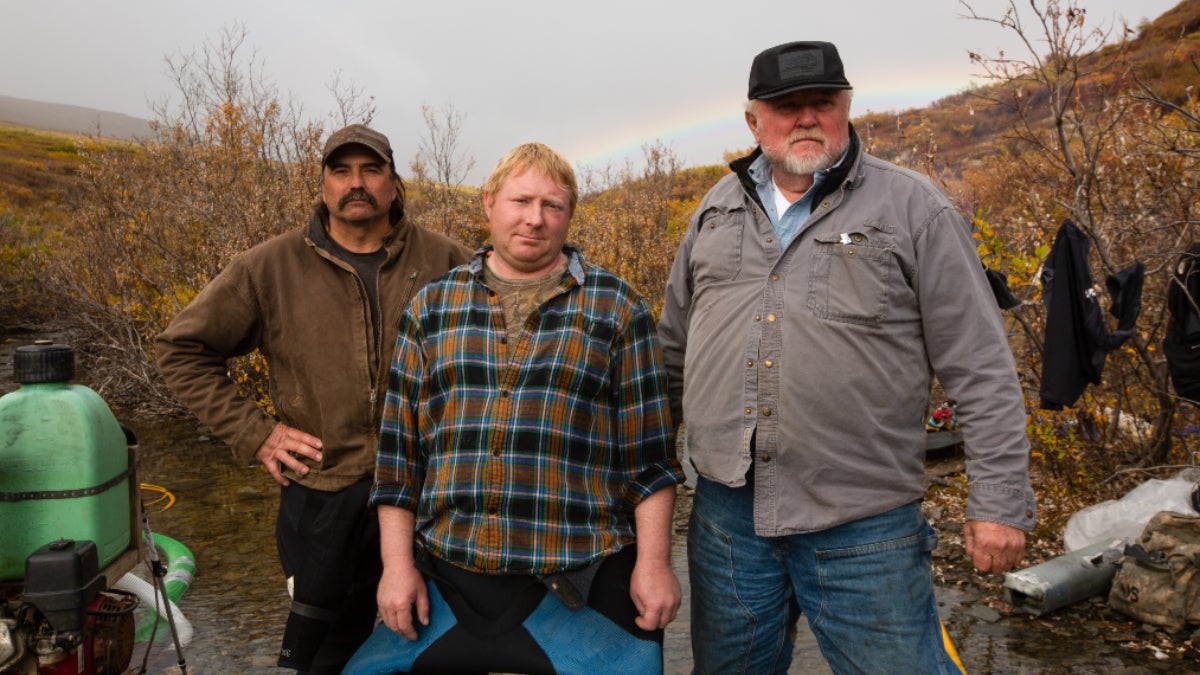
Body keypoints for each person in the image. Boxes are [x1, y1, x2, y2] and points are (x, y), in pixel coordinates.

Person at [657, 41, 1037, 674]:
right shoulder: (715, 210)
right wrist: (643, 481)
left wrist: (997, 502)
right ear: (753, 121)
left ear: (847, 107)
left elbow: (981, 366)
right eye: (787, 106)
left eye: (823, 103)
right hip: (728, 520)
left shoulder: (914, 207)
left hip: (864, 525)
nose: (806, 118)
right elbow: (673, 350)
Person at [344, 142, 684, 675]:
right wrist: (396, 567)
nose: (535, 218)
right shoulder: (432, 307)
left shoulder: (618, 307)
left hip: (580, 571)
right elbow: (398, 460)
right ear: (488, 203)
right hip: (449, 570)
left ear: (569, 214)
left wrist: (655, 564)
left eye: (553, 205)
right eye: (521, 201)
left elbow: (651, 461)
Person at [155, 124, 471, 674]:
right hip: (321, 496)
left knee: (440, 648)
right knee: (324, 655)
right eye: (341, 171)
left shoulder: (449, 261)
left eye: (371, 170)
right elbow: (180, 349)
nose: (356, 183)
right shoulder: (269, 267)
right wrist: (257, 434)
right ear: (322, 184)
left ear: (394, 182)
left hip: (433, 496)